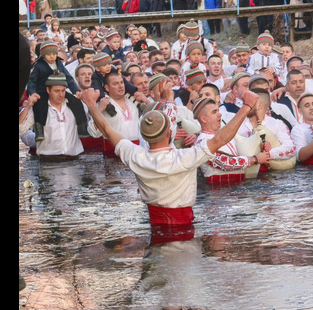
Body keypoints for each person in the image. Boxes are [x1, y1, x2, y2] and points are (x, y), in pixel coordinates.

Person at [81, 87, 259, 226]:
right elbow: (220, 139)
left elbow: (106, 129)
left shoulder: (134, 154)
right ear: (169, 133)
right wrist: (247, 106)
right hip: (183, 227)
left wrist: (90, 104)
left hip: (154, 225)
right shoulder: (184, 157)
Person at [190, 96, 271, 185]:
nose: (220, 114)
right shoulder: (202, 141)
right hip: (220, 193)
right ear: (203, 119)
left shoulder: (227, 135)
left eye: (218, 110)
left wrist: (260, 149)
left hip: (237, 189)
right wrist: (255, 159)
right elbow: (223, 163)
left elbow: (244, 153)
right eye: (214, 112)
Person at [19, 72, 89, 159]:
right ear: (48, 90)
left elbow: (91, 127)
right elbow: (20, 130)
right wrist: (28, 106)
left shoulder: (75, 105)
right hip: (48, 162)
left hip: (74, 161)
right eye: (57, 91)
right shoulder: (38, 108)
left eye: (63, 91)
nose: (61, 94)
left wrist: (90, 103)